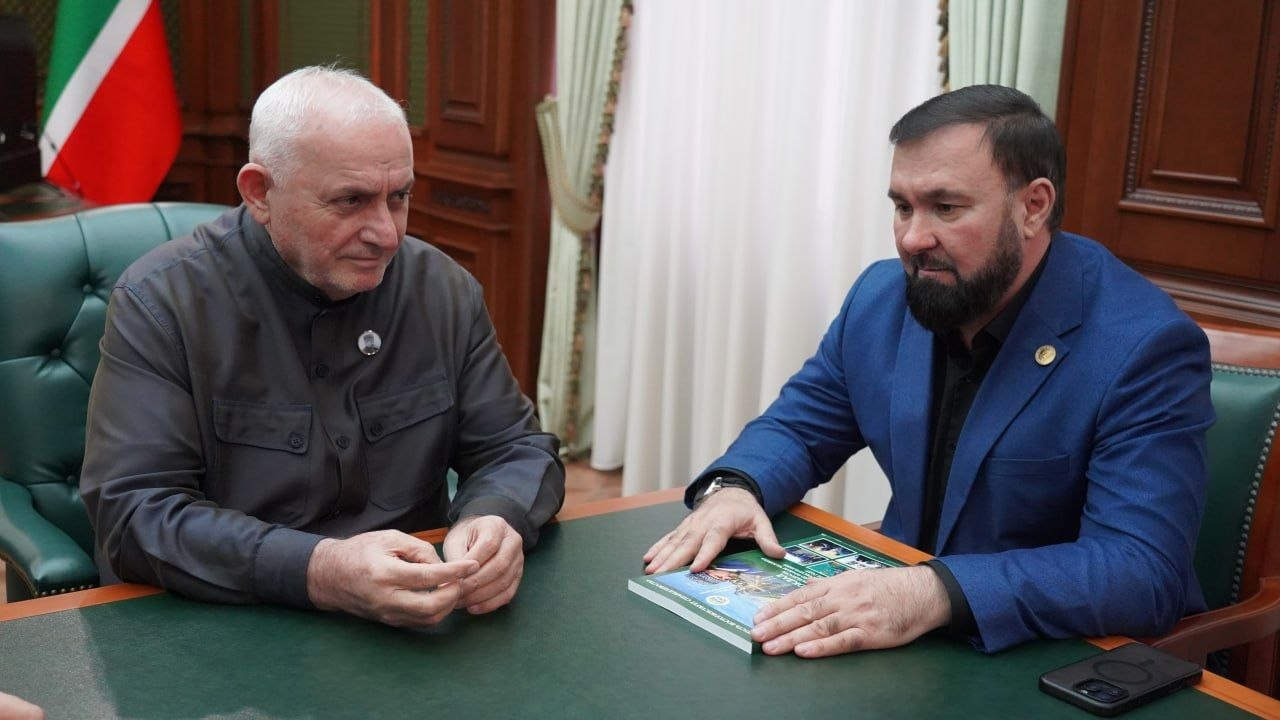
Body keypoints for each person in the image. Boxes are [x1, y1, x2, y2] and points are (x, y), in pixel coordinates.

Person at [643, 84, 1213, 656]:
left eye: (946, 208)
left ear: (1033, 207)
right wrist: (737, 488)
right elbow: (798, 428)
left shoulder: (1143, 346)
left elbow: (1143, 569)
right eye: (902, 207)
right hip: (900, 632)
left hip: (1048, 652)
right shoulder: (882, 298)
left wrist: (933, 591)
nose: (913, 239)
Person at [81, 66, 564, 627]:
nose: (387, 233)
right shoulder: (163, 301)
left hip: (417, 621)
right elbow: (134, 514)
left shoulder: (441, 288)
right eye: (351, 200)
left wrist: (496, 515)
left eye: (399, 197)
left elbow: (516, 449)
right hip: (230, 626)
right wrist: (320, 569)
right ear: (259, 193)